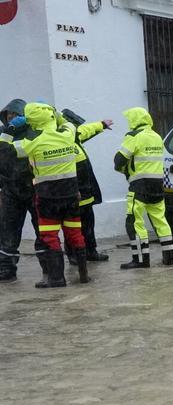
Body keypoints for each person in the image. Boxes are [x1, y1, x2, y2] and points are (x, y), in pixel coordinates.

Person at [9, 102, 89, 288]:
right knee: (75, 233)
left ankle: (56, 278)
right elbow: (70, 122)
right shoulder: (68, 134)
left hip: (47, 199)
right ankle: (83, 274)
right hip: (70, 196)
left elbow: (4, 148)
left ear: (30, 120)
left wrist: (11, 127)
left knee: (50, 236)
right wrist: (54, 113)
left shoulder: (31, 143)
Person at [115, 107, 173, 269]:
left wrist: (126, 171)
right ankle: (169, 255)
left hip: (139, 186)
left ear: (134, 120)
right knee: (160, 220)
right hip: (158, 185)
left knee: (134, 222)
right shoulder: (156, 136)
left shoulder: (133, 136)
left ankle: (141, 259)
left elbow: (119, 160)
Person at [0, 98, 51, 283]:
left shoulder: (34, 133)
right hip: (10, 191)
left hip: (34, 189)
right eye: (9, 114)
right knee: (7, 231)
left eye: (16, 114)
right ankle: (6, 268)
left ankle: (48, 266)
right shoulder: (3, 133)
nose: (11, 117)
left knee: (42, 229)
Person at [59, 108, 112, 262]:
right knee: (72, 226)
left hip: (86, 193)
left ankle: (90, 251)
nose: (77, 127)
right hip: (72, 194)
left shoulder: (75, 136)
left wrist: (101, 124)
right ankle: (73, 254)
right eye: (74, 124)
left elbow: (87, 129)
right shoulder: (60, 141)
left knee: (88, 224)